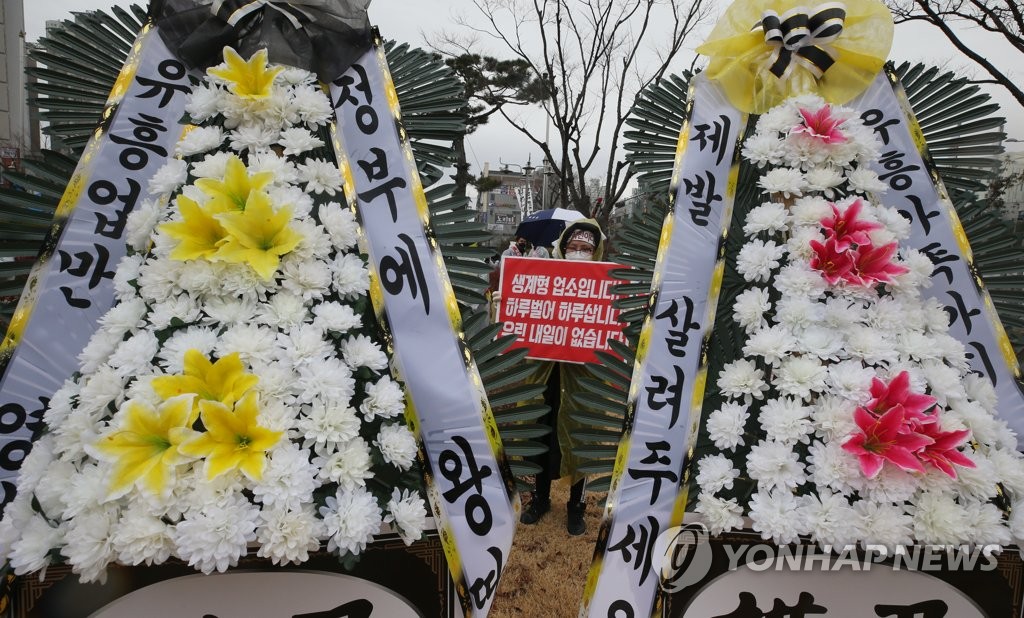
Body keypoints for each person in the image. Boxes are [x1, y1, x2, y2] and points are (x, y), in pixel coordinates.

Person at [519, 218, 605, 535]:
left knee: (579, 437)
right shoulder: (547, 280)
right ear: (562, 249)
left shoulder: (604, 284)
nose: (579, 253)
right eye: (573, 247)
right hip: (546, 371)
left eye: (586, 249)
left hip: (583, 376)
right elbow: (526, 317)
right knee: (543, 432)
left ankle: (576, 507)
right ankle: (541, 499)